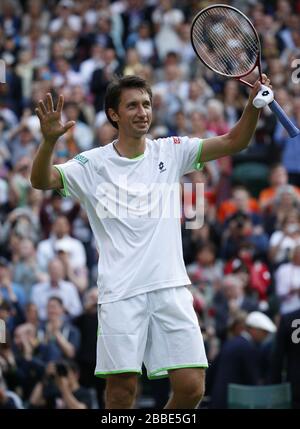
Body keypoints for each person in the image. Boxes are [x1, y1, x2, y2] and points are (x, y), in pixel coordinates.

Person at [30, 74, 271, 409]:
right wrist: (48, 142)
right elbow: (41, 180)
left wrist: (253, 106)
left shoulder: (171, 151)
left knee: (192, 387)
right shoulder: (92, 164)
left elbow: (235, 141)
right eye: (132, 105)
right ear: (114, 115)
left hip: (170, 286)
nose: (142, 111)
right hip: (121, 292)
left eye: (146, 104)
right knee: (122, 390)